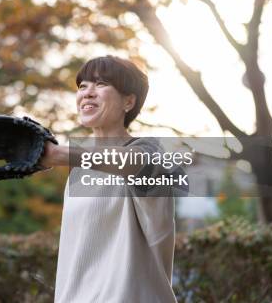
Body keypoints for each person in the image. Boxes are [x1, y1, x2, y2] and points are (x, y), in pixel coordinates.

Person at [40, 55, 178, 303]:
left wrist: (57, 153)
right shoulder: (79, 173)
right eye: (82, 86)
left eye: (101, 84)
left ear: (128, 101)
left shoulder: (149, 151)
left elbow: (134, 163)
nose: (87, 92)